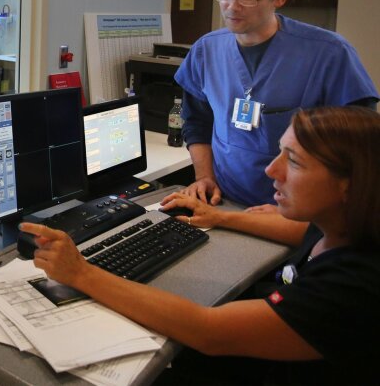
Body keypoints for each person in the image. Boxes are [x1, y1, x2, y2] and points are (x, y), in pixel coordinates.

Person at [21, 106, 380, 385]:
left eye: (295, 162)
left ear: (351, 184)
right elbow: (300, 231)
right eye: (280, 153)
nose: (272, 170)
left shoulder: (355, 283)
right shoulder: (340, 223)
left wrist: (82, 273)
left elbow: (209, 331)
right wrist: (220, 217)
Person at [173, 0, 377, 210]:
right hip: (225, 199)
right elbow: (197, 121)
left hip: (297, 212)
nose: (231, 6)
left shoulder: (330, 53)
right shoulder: (206, 50)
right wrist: (204, 177)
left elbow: (359, 145)